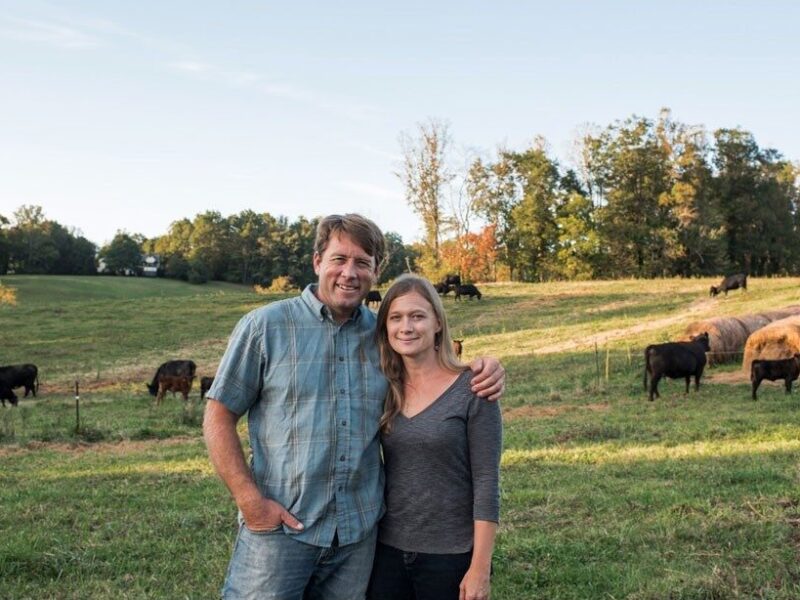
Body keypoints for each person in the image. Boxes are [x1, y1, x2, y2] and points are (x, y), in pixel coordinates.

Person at [203, 214, 505, 600]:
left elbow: (429, 372)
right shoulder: (266, 327)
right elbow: (218, 414)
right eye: (339, 259)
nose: (349, 272)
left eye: (362, 262)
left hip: (358, 538)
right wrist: (250, 502)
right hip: (281, 530)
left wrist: (485, 367)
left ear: (375, 272)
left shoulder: (381, 335)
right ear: (317, 262)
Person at [367, 274, 502, 600]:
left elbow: (487, 482)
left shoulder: (473, 388)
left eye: (417, 316)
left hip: (451, 556)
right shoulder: (383, 390)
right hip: (385, 553)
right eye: (396, 318)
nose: (406, 327)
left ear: (438, 323)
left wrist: (480, 568)